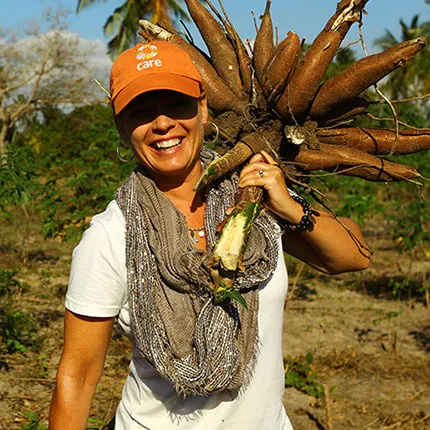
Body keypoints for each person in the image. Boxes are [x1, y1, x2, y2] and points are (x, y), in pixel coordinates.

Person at [49, 40, 370, 429]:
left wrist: (290, 208)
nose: (162, 123)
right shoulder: (111, 235)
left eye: (176, 104)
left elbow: (353, 257)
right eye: (141, 112)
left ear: (202, 108)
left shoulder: (255, 197)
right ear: (121, 126)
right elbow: (77, 376)